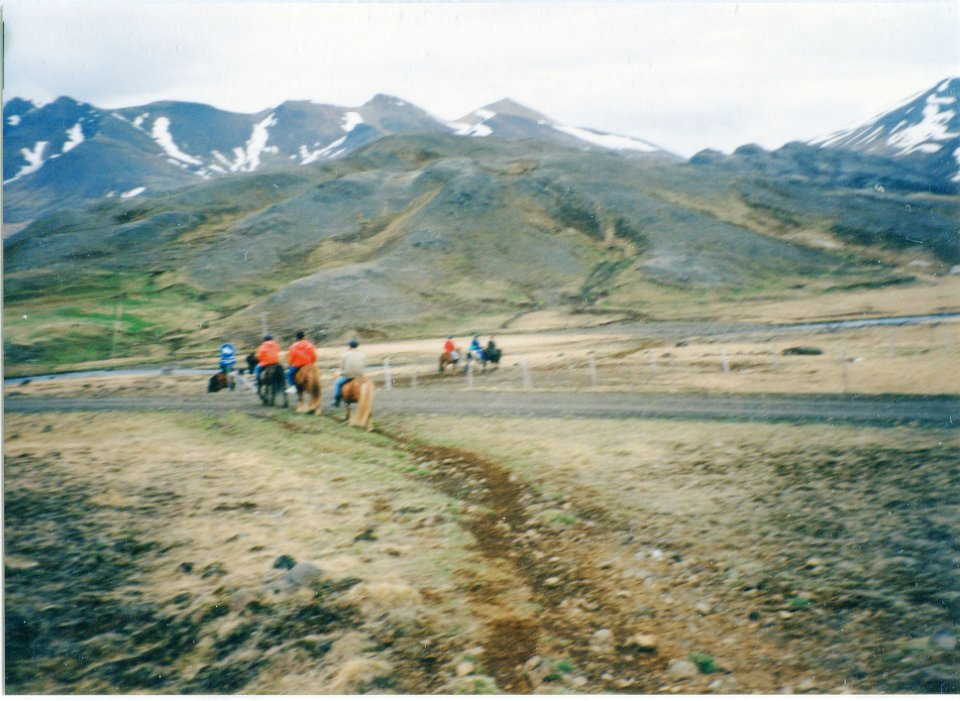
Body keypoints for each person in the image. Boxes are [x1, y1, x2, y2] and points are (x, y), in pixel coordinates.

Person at [333, 338, 366, 408]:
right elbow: (364, 365)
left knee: (337, 383)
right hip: (360, 375)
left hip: (348, 376)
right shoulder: (362, 354)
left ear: (349, 346)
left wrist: (342, 372)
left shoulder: (345, 354)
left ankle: (337, 400)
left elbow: (341, 366)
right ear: (357, 346)